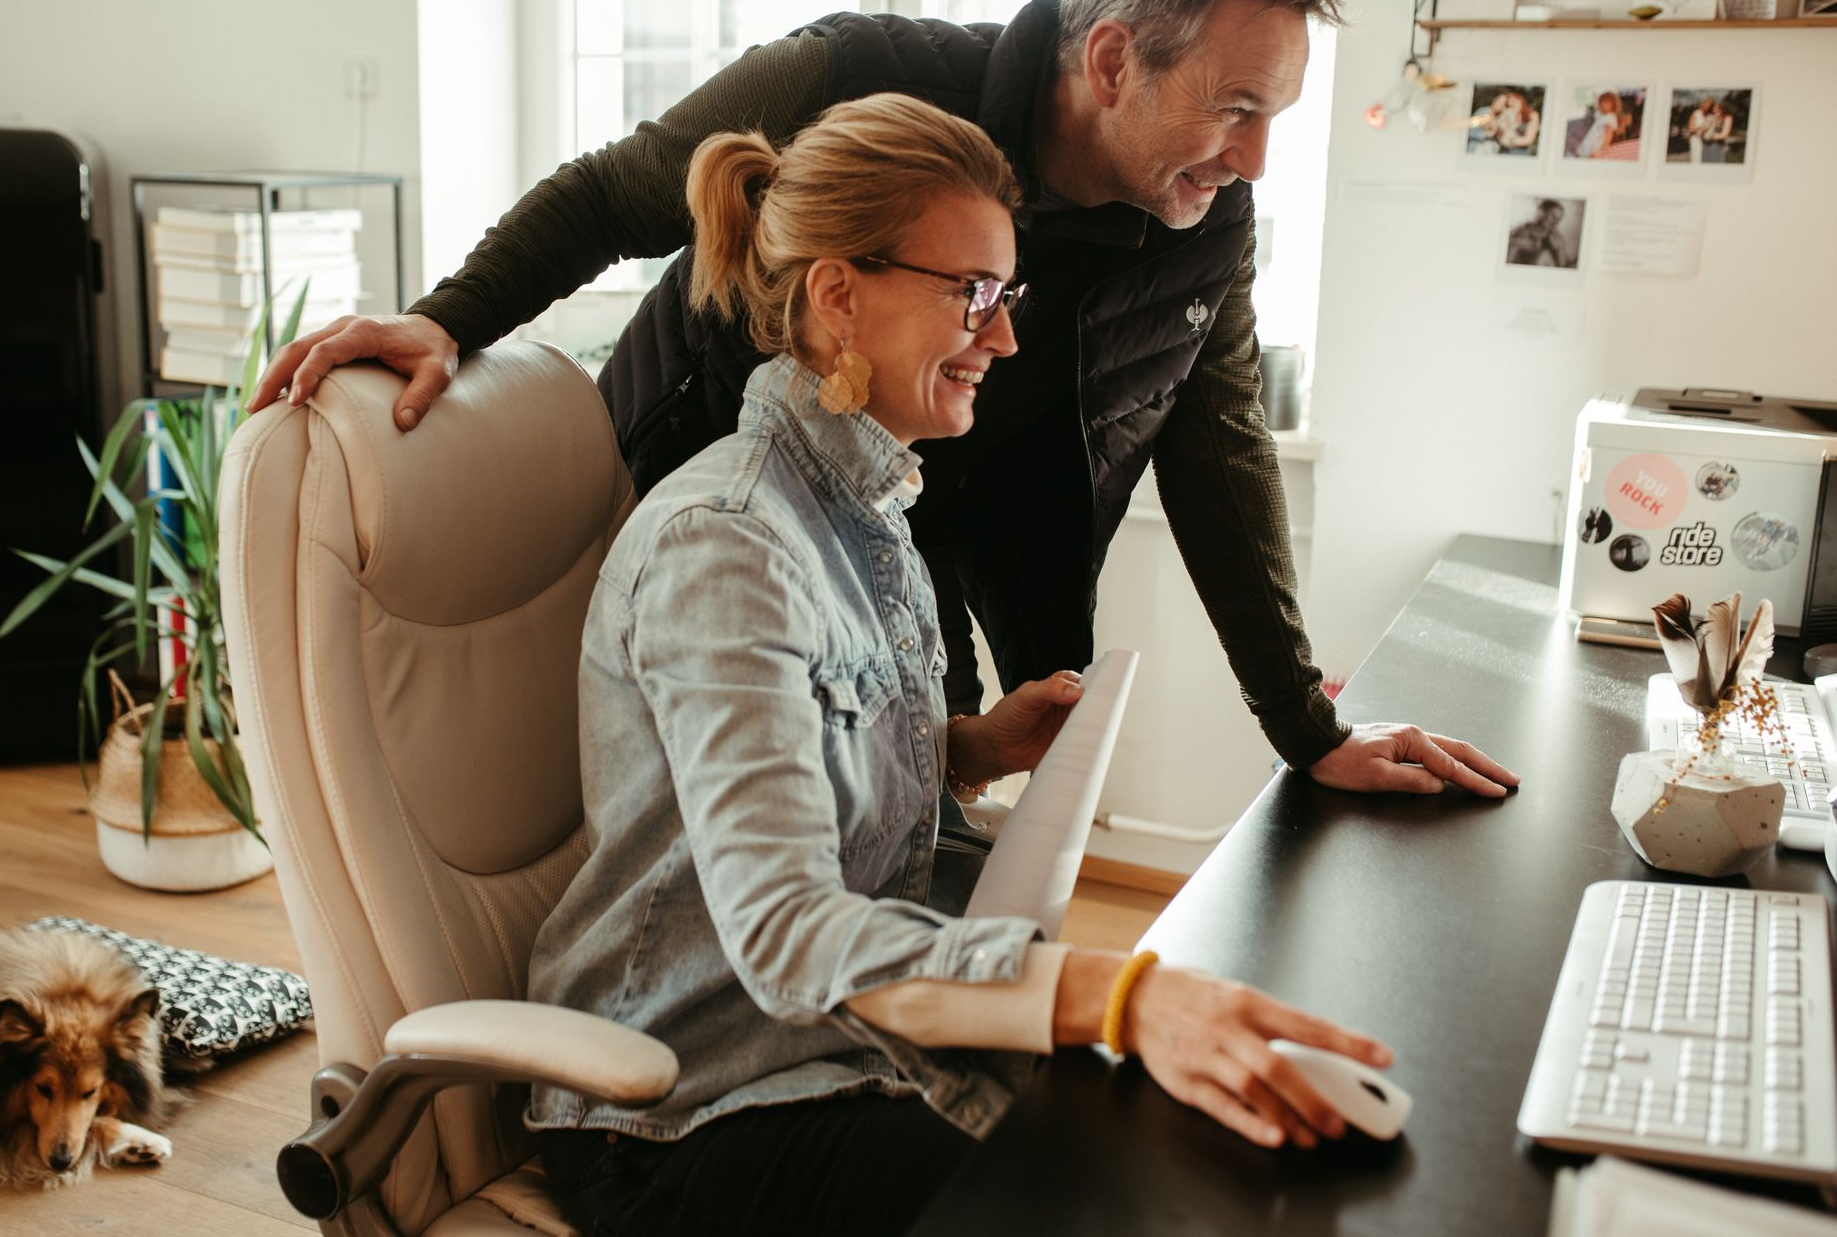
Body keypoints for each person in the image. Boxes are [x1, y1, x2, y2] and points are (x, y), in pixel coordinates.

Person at [248, 0, 1520, 818]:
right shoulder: (858, 79)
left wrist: (1307, 729)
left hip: (921, 533)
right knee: (732, 823)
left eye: (1271, 120)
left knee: (921, 822)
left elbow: (1219, 450)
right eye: (1235, 109)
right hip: (728, 499)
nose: (1251, 161)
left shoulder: (1204, 219)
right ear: (1114, 57)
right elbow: (612, 193)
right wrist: (449, 314)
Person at [524, 91, 1392, 1236]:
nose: (1006, 335)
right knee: (1095, 1183)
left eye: (1008, 292)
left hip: (811, 1039)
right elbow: (786, 933)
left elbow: (785, 754)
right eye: (974, 294)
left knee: (1162, 1136)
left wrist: (964, 748)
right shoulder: (725, 545)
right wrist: (1118, 994)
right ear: (839, 297)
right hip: (673, 1101)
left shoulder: (865, 498)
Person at [1508, 200, 1574, 269]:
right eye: (1553, 216)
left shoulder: (1557, 238)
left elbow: (1563, 267)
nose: (1556, 221)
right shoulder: (1524, 230)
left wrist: (1556, 249)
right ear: (1542, 213)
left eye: (1559, 218)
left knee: (1546, 254)